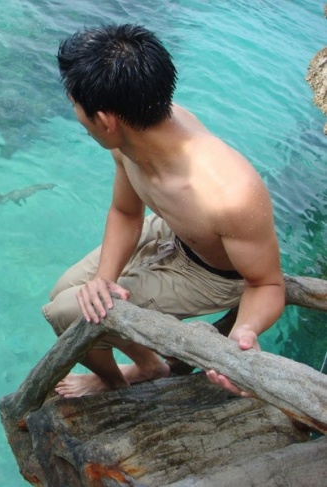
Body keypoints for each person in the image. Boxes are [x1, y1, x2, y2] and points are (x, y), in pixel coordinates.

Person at [43, 24, 285, 398]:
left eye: (75, 105)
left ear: (105, 121)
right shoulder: (133, 132)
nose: (75, 113)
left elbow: (267, 283)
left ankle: (117, 386)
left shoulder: (231, 194)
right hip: (171, 228)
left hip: (212, 274)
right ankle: (149, 366)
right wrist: (105, 279)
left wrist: (243, 332)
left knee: (65, 313)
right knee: (62, 293)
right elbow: (126, 213)